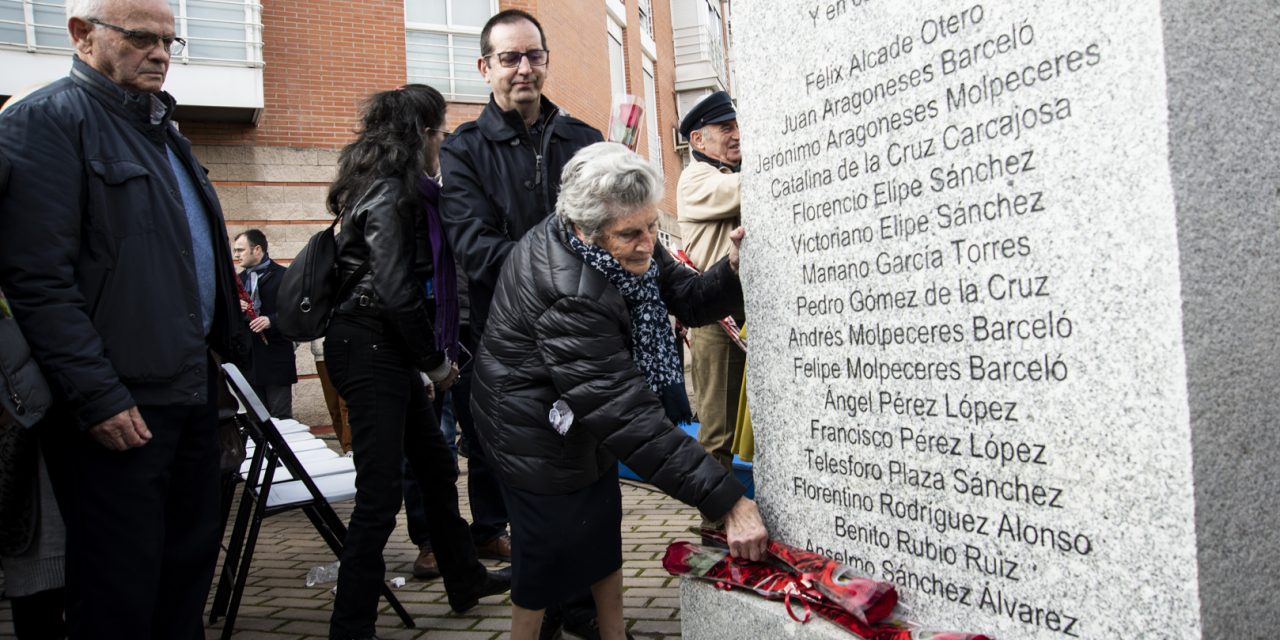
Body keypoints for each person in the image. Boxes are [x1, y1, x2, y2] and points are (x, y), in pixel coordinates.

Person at [0, 0, 253, 636]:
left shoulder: (164, 132)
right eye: (142, 37)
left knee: (183, 576)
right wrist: (98, 397)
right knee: (119, 589)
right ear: (82, 36)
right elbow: (39, 282)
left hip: (189, 392)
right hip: (120, 406)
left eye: (171, 40)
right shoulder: (44, 124)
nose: (162, 53)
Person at [471, 142, 769, 640]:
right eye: (630, 234)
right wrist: (728, 501)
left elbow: (690, 301)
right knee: (544, 558)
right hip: (530, 428)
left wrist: (732, 270)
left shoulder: (623, 245)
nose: (647, 243)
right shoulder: (568, 291)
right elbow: (627, 415)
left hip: (577, 415)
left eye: (652, 227)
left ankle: (614, 635)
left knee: (600, 532)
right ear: (584, 230)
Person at [322, 83, 509, 640]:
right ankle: (350, 625)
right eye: (439, 131)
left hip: (384, 345)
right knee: (378, 496)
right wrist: (436, 365)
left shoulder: (387, 188)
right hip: (370, 344)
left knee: (434, 466)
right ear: (421, 135)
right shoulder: (390, 195)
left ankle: (465, 577)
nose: (443, 142)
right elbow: (395, 291)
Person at [439, 10, 603, 634]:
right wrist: (566, 275)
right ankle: (550, 611)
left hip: (585, 347)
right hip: (511, 353)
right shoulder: (464, 150)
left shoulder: (585, 142)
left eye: (533, 55)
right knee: (531, 498)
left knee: (590, 483)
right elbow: (475, 250)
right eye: (509, 58)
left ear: (546, 60)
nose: (523, 69)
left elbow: (610, 238)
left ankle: (585, 609)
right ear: (486, 68)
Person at [676, 90, 747, 478]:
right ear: (698, 140)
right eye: (725, 128)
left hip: (746, 312)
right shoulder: (695, 179)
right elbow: (742, 191)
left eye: (737, 126)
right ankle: (714, 518)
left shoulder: (729, 171)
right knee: (718, 429)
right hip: (715, 317)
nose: (736, 135)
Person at [233, 229, 298, 418]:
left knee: (281, 420)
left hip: (276, 360)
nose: (236, 255)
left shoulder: (284, 276)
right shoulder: (239, 280)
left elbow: (295, 312)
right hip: (249, 363)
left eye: (240, 250)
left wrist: (271, 320)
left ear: (257, 249)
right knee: (257, 421)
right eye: (235, 251)